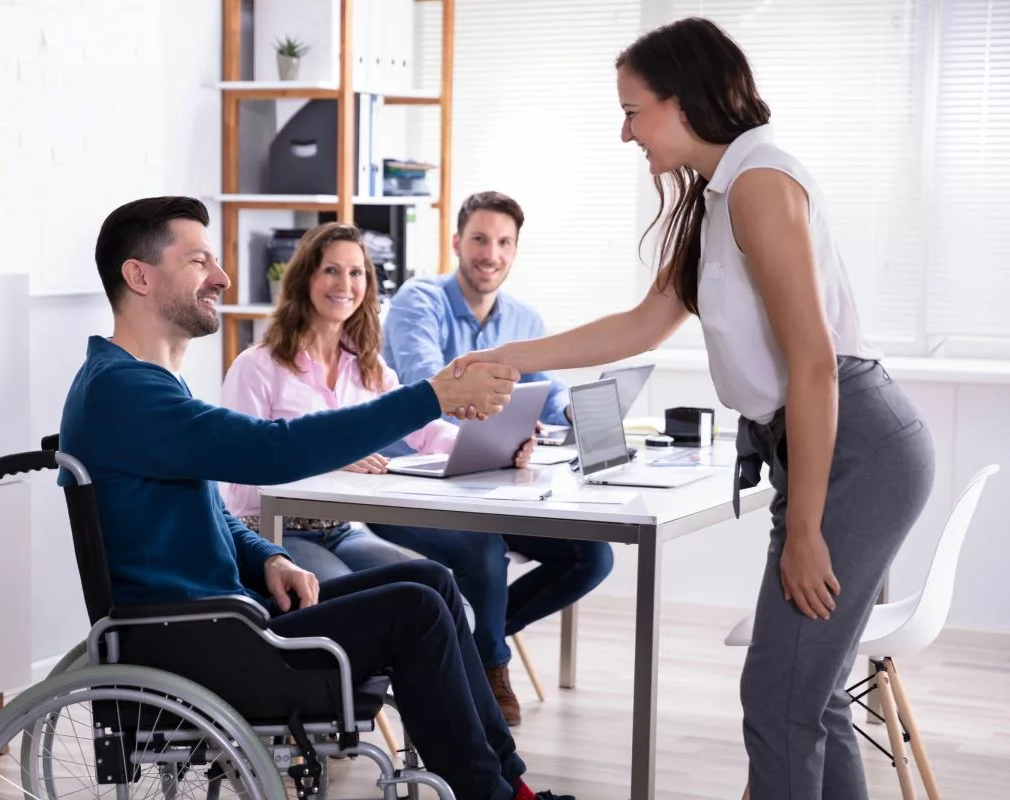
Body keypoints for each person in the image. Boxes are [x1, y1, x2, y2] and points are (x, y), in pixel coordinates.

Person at [450, 18, 935, 800]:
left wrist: (804, 529)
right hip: (822, 446)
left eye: (633, 110)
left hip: (854, 447)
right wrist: (509, 357)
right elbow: (641, 324)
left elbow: (815, 365)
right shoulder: (719, 198)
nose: (625, 132)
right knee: (804, 696)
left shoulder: (760, 185)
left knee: (777, 701)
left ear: (684, 103)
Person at [57, 195, 575, 800]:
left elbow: (215, 512)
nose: (222, 277)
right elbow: (274, 451)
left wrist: (268, 558)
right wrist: (430, 395)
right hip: (202, 643)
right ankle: (491, 795)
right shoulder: (125, 393)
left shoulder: (140, 383)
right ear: (139, 276)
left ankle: (512, 786)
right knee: (416, 608)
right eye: (199, 261)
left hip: (227, 618)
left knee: (432, 581)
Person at [377, 190, 615, 723]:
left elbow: (547, 394)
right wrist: (505, 420)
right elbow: (427, 387)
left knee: (591, 555)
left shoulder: (523, 318)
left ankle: (476, 638)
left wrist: (579, 415)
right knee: (482, 545)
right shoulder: (421, 301)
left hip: (486, 479)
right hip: (406, 484)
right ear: (457, 242)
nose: (491, 254)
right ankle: (489, 663)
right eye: (480, 239)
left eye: (504, 242)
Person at [220, 221, 537, 583]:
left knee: (433, 583)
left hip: (340, 530)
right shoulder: (257, 366)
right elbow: (241, 476)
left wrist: (493, 448)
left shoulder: (367, 365)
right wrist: (334, 457)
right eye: (331, 271)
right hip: (271, 534)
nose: (345, 284)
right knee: (364, 598)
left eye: (356, 273)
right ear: (304, 279)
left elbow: (423, 427)